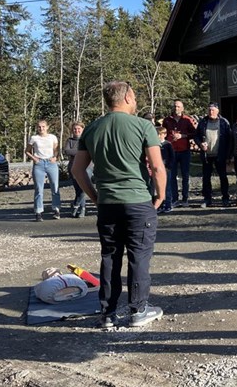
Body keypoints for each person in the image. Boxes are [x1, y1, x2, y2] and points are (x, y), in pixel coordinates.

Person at [71, 80, 166, 328]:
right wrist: (161, 194)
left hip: (108, 203)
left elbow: (77, 169)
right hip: (137, 201)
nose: (135, 101)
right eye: (134, 97)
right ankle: (138, 310)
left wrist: (94, 196)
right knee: (139, 256)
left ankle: (108, 314)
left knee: (110, 257)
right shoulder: (143, 126)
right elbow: (156, 167)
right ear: (126, 98)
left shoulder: (91, 129)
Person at [194, 102, 232, 208]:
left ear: (217, 111)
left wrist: (229, 155)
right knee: (206, 178)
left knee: (223, 177)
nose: (211, 112)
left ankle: (225, 198)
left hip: (220, 154)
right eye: (209, 110)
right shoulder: (203, 122)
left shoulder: (224, 122)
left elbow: (230, 139)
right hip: (207, 155)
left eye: (213, 110)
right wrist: (200, 144)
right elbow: (196, 136)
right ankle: (207, 199)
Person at [163, 99, 196, 207]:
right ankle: (175, 198)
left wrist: (183, 136)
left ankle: (185, 198)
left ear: (182, 108)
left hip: (184, 151)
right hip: (171, 151)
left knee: (185, 176)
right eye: (175, 106)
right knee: (172, 176)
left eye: (178, 106)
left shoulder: (187, 120)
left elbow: (194, 133)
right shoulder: (167, 120)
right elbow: (162, 133)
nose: (176, 108)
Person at [26, 119, 61, 222]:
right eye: (39, 127)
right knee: (38, 189)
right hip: (39, 164)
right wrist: (34, 159)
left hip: (51, 163)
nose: (41, 129)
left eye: (43, 126)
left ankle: (56, 209)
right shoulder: (34, 138)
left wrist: (55, 157)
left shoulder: (52, 137)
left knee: (55, 187)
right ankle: (38, 211)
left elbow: (56, 149)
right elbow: (27, 151)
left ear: (47, 127)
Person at [64, 121, 90, 218]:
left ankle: (78, 207)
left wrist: (76, 152)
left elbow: (90, 151)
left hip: (87, 167)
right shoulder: (69, 141)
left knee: (83, 188)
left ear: (83, 129)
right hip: (73, 167)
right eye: (75, 129)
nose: (77, 130)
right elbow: (67, 151)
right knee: (78, 189)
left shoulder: (87, 139)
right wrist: (82, 152)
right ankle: (79, 207)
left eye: (79, 128)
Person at [156, 126, 175, 213]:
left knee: (167, 187)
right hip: (156, 168)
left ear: (164, 134)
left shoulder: (168, 144)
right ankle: (159, 205)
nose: (158, 136)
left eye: (160, 134)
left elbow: (172, 157)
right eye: (157, 134)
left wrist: (169, 167)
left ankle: (168, 205)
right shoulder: (155, 144)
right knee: (157, 188)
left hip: (166, 168)